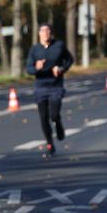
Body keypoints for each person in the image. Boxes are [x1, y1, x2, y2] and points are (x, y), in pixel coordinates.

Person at [25, 23, 74, 155]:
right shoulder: (35, 49)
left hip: (55, 86)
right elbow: (28, 68)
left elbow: (69, 60)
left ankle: (58, 124)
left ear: (51, 33)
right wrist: (37, 68)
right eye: (43, 31)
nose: (45, 33)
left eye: (48, 31)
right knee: (43, 117)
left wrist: (61, 69)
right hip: (40, 86)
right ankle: (49, 143)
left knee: (54, 114)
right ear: (39, 33)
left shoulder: (59, 46)